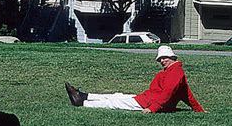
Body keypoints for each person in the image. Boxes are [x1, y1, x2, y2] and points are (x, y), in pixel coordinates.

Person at [65, 45, 205, 113]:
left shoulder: (175, 72)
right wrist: (199, 109)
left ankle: (82, 103)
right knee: (116, 96)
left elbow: (168, 93)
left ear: (172, 57)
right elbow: (187, 94)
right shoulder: (172, 71)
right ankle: (83, 96)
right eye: (160, 59)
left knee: (114, 102)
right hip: (145, 98)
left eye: (164, 58)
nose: (162, 61)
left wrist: (152, 109)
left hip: (147, 102)